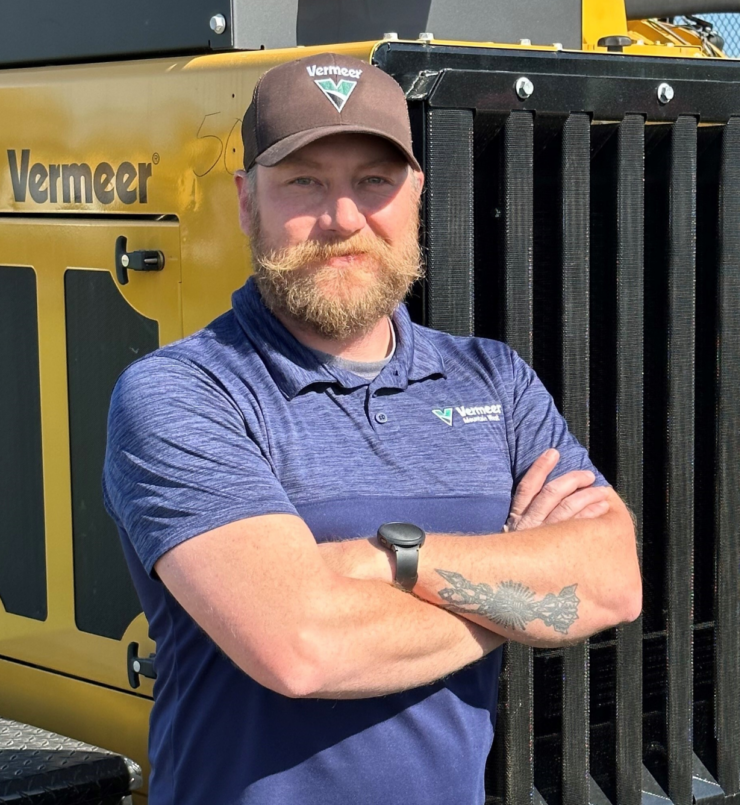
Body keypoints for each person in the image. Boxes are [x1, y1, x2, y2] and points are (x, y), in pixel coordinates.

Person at [103, 53, 641, 805]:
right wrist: (519, 602)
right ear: (245, 201)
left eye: (373, 181)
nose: (344, 218)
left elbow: (614, 582)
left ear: (416, 193)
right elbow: (302, 649)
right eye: (304, 182)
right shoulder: (182, 393)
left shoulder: (493, 378)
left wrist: (389, 562)